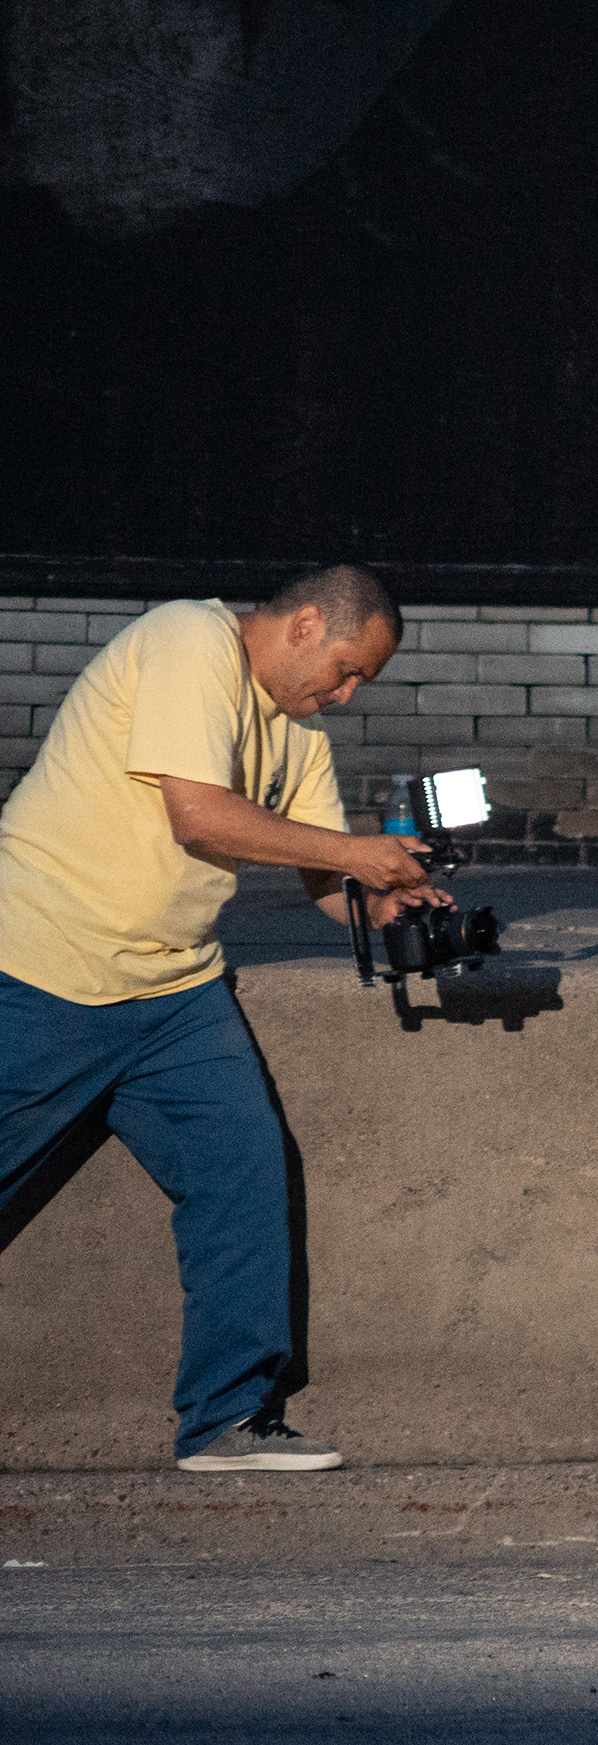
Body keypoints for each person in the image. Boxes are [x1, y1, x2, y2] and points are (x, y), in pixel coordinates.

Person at [0, 569, 445, 1473]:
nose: (348, 695)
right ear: (306, 623)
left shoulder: (300, 731)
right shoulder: (185, 639)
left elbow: (326, 884)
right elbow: (200, 819)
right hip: (40, 967)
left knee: (243, 1176)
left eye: (364, 684)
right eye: (348, 670)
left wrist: (387, 904)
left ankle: (228, 1422)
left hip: (176, 994)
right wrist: (354, 852)